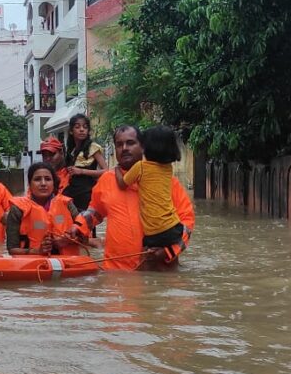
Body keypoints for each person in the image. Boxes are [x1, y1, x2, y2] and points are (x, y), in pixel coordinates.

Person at [69, 125, 195, 271]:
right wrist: (79, 227)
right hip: (115, 273)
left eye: (130, 143)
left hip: (157, 272)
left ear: (143, 147)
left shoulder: (166, 181)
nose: (124, 148)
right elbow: (95, 212)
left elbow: (187, 222)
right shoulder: (107, 180)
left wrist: (169, 251)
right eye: (119, 144)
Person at [115, 126, 184, 255]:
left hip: (154, 232)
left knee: (145, 261)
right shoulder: (168, 169)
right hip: (175, 227)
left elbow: (122, 184)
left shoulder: (140, 167)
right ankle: (172, 249)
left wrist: (117, 169)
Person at [5, 162, 81, 256]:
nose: (43, 184)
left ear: (54, 183)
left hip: (67, 264)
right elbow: (12, 250)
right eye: (37, 179)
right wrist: (37, 251)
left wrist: (69, 240)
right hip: (32, 265)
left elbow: (84, 235)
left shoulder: (67, 204)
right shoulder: (17, 209)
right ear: (29, 184)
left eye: (48, 179)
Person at [62, 114, 108, 212]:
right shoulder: (72, 150)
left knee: (85, 224)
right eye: (77, 127)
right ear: (71, 131)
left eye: (85, 127)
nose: (82, 129)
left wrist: (82, 171)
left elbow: (106, 171)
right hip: (72, 193)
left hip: (86, 193)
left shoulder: (93, 147)